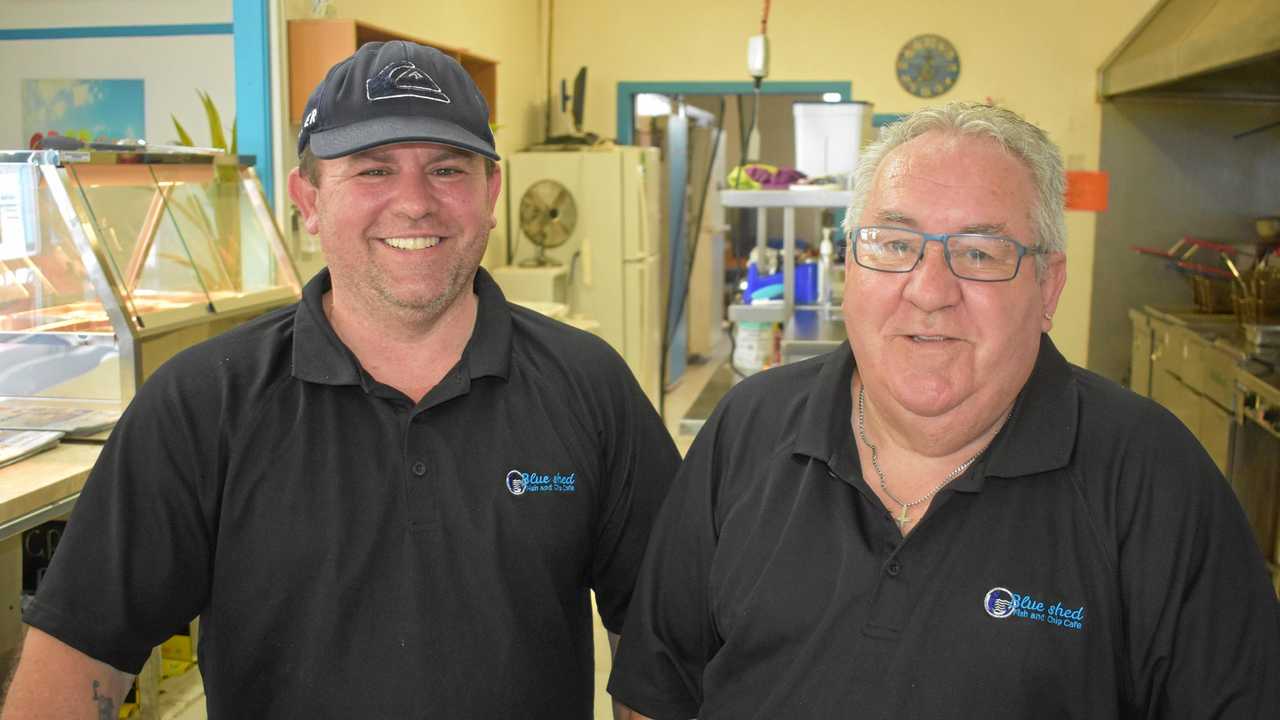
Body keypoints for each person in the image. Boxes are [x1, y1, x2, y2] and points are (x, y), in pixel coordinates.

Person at [2, 41, 679, 718]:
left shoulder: (591, 389)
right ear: (309, 198)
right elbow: (78, 655)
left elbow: (663, 654)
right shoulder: (203, 404)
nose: (415, 204)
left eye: (447, 169)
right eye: (372, 170)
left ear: (491, 192)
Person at [608, 102, 1280, 718]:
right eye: (896, 245)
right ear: (851, 264)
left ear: (1048, 286)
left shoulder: (1155, 479)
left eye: (980, 254)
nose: (929, 291)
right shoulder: (748, 428)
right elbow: (656, 690)